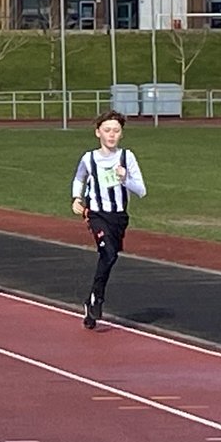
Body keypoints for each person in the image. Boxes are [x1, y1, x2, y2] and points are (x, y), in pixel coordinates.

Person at [71, 110, 147, 329]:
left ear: (121, 134)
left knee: (111, 257)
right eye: (107, 130)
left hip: (119, 217)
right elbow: (79, 178)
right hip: (96, 214)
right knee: (108, 252)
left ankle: (92, 298)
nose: (111, 135)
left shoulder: (127, 157)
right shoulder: (89, 158)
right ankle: (97, 299)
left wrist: (125, 179)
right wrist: (76, 198)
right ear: (98, 133)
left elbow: (141, 190)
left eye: (116, 130)